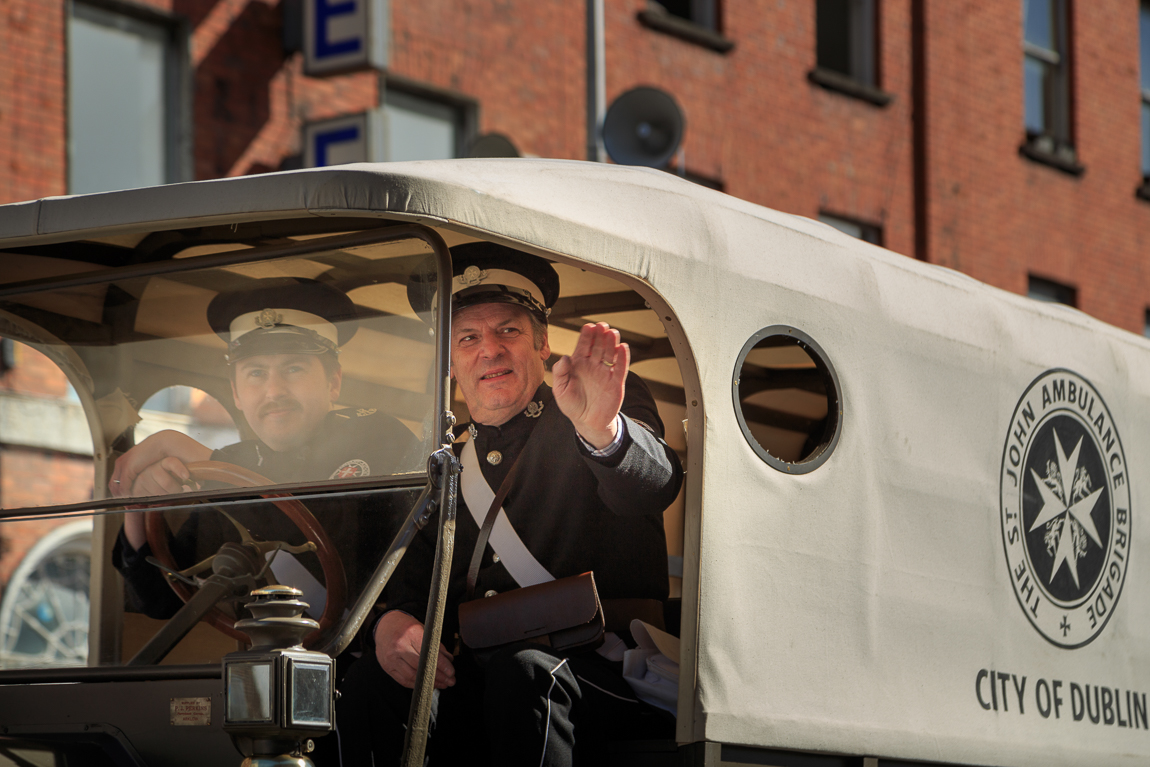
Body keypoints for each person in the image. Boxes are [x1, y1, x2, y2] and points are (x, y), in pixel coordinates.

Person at [330, 244, 684, 766]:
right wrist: (391, 625)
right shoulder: (443, 460)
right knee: (368, 683)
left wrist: (604, 432)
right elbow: (407, 580)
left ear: (543, 343)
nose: (489, 350)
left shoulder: (594, 407)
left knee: (525, 673)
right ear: (450, 364)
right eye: (468, 338)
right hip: (482, 675)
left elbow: (654, 485)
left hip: (601, 668)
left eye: (508, 331)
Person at [111, 277, 421, 619]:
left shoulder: (376, 434)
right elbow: (160, 600)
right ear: (236, 393)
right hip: (261, 652)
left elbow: (320, 542)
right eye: (256, 373)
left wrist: (201, 456)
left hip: (371, 647)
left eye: (294, 368)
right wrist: (137, 506)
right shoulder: (232, 465)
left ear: (333, 382)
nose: (274, 391)